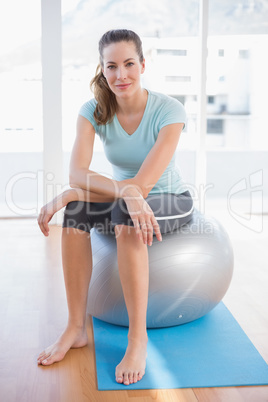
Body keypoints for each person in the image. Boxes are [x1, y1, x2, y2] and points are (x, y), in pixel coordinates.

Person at [37, 29, 194, 386]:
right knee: (76, 213)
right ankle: (76, 328)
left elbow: (143, 186)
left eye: (128, 64)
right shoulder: (92, 111)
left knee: (122, 210)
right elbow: (77, 171)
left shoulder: (170, 110)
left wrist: (77, 191)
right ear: (102, 69)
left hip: (169, 197)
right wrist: (72, 196)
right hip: (126, 197)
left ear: (142, 64)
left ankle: (137, 339)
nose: (121, 74)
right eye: (112, 66)